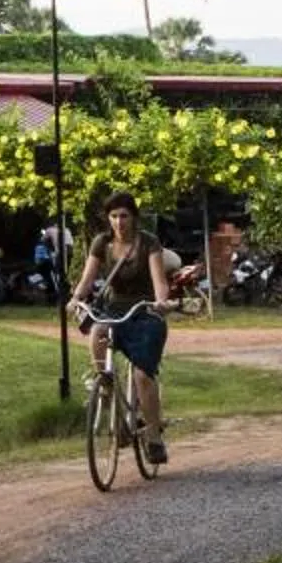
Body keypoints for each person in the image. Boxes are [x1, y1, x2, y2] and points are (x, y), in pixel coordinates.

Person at [72, 190, 184, 463]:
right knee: (97, 333)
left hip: (145, 312)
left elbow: (159, 281)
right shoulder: (102, 243)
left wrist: (161, 302)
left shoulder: (149, 243)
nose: (119, 222)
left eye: (124, 216)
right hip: (115, 308)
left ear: (133, 218)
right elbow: (87, 279)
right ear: (107, 219)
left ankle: (154, 436)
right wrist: (75, 299)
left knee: (143, 377)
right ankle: (108, 391)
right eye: (113, 216)